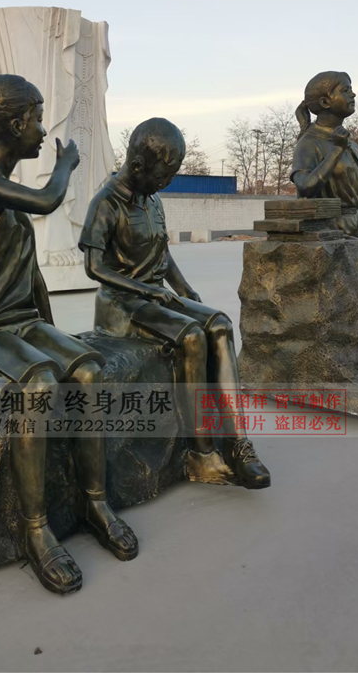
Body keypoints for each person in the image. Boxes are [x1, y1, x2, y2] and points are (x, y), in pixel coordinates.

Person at [0, 74, 138, 595]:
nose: (43, 130)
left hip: (20, 323)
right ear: (16, 124)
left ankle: (95, 502)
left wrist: (50, 332)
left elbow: (29, 277)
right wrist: (67, 165)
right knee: (39, 385)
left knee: (88, 369)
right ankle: (35, 530)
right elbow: (48, 199)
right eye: (38, 118)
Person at [80, 117, 270, 489]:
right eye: (162, 177)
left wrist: (186, 291)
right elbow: (94, 267)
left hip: (156, 298)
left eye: (170, 177)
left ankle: (238, 444)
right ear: (138, 165)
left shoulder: (153, 200)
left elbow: (162, 255)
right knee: (191, 337)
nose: (165, 184)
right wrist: (147, 290)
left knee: (218, 324)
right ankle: (201, 453)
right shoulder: (105, 202)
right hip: (122, 306)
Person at [291, 71, 358, 245]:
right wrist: (336, 150)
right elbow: (304, 187)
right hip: (326, 235)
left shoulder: (350, 144)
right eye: (345, 90)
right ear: (325, 102)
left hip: (353, 233)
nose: (353, 94)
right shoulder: (309, 142)